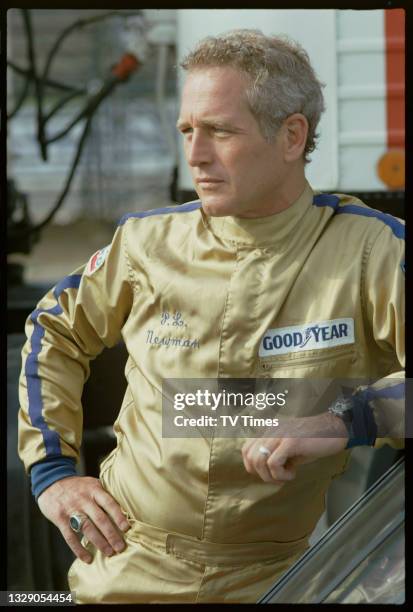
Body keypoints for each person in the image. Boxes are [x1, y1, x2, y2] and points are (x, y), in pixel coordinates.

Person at [18, 29, 404, 604]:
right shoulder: (146, 243)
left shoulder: (371, 250)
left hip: (280, 581)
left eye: (220, 131)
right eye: (187, 131)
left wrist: (344, 420)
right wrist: (53, 474)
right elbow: (53, 330)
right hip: (122, 565)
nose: (195, 155)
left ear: (291, 136)